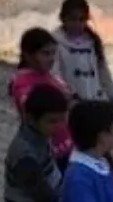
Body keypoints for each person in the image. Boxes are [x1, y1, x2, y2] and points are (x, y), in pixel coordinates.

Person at [9, 27, 74, 167]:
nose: (51, 59)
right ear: (28, 55)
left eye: (53, 53)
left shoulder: (50, 76)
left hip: (67, 145)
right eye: (45, 54)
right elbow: (33, 108)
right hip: (47, 152)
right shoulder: (22, 83)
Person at [52, 0, 113, 102]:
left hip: (97, 102)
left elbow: (103, 72)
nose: (77, 24)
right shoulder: (55, 43)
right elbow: (55, 74)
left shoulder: (93, 42)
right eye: (73, 19)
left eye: (82, 19)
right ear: (63, 18)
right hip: (70, 105)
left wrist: (111, 94)